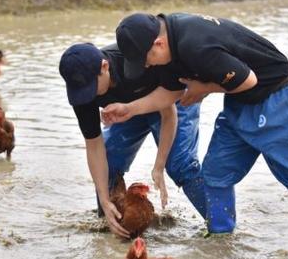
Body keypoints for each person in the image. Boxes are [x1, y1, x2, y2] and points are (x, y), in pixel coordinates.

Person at [103, 13, 288, 254]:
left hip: (280, 97)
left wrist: (203, 89)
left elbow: (248, 79)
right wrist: (130, 108)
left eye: (147, 59)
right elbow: (170, 93)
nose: (148, 66)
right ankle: (221, 240)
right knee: (216, 174)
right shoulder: (168, 46)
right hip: (241, 102)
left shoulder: (194, 43)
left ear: (158, 43)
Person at [59, 43, 206, 238]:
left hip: (170, 99)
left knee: (179, 165)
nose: (89, 95)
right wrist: (104, 199)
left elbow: (168, 113)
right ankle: (112, 223)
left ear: (104, 67)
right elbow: (94, 146)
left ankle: (221, 226)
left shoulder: (136, 62)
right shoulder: (82, 93)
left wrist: (159, 166)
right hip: (126, 108)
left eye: (91, 88)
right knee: (109, 159)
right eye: (83, 91)